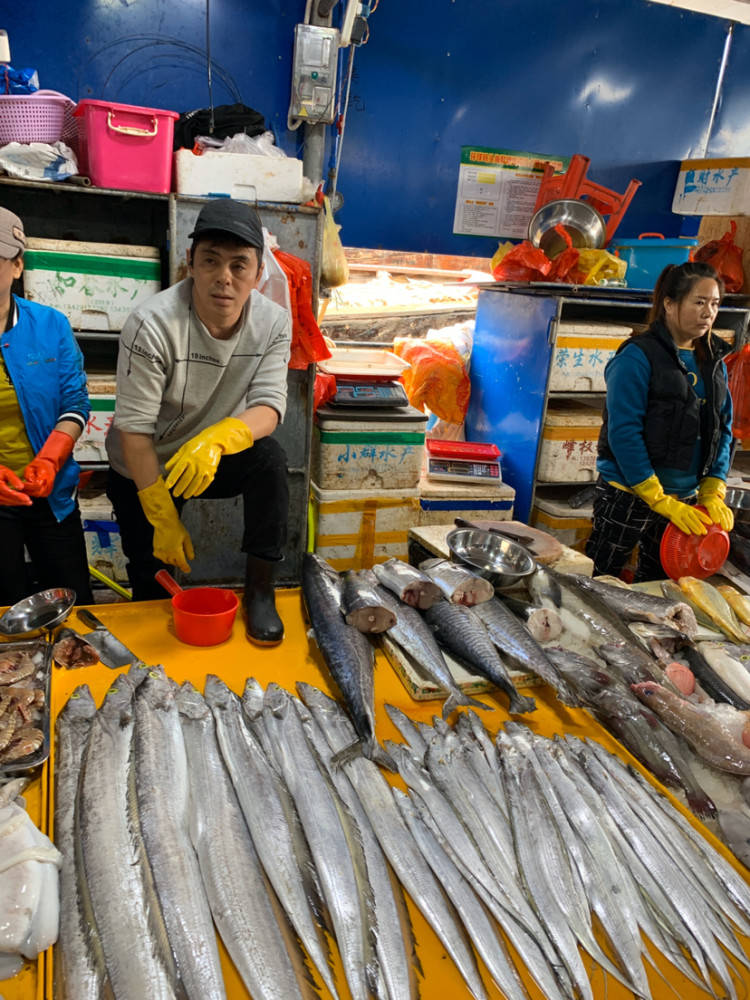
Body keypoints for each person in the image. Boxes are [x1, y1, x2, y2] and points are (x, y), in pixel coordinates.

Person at [105, 199, 291, 645]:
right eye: (210, 261)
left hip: (203, 457)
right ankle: (154, 611)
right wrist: (161, 513)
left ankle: (260, 593)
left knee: (269, 459)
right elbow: (134, 430)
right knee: (151, 587)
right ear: (191, 263)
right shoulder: (152, 323)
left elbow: (268, 404)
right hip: (143, 463)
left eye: (238, 265)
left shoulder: (273, 322)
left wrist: (220, 437)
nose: (223, 278)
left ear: (257, 273)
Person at [586, 260, 735, 582]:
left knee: (661, 582)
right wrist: (655, 496)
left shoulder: (712, 360)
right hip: (628, 493)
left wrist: (713, 485)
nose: (709, 312)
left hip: (685, 501)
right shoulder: (637, 358)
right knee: (600, 577)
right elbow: (624, 432)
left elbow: (723, 427)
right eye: (699, 302)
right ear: (669, 304)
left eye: (715, 303)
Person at [0, 207, 93, 606]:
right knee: (6, 607)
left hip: (50, 494)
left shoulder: (50, 325)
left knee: (74, 602)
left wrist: (52, 460)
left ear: (17, 265)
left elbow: (75, 402)